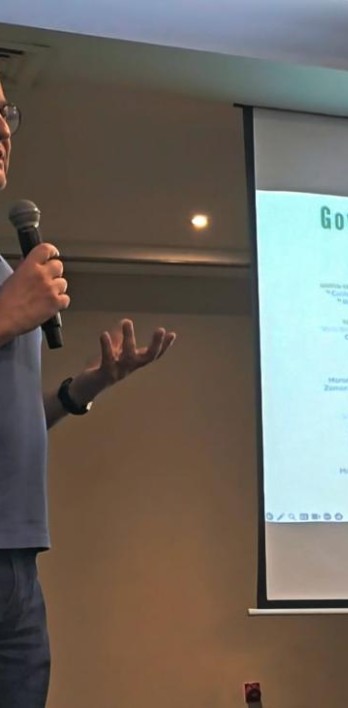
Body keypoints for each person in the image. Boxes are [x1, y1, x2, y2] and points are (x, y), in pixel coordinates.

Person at [0, 81, 176, 706]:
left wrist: (85, 388)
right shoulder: (12, 293)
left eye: (5, 113)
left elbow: (14, 417)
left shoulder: (8, 274)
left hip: (18, 560)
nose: (3, 130)